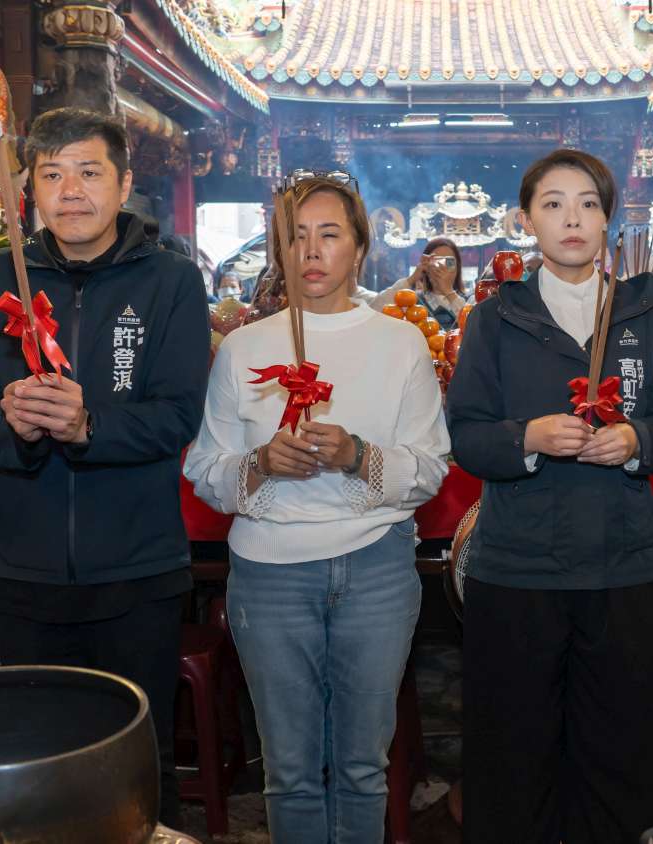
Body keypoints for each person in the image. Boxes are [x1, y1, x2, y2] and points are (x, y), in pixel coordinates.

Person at [0, 107, 210, 826]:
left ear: (123, 183)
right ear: (29, 189)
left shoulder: (171, 281)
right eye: (52, 175)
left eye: (89, 172)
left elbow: (179, 413)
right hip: (25, 567)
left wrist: (90, 425)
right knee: (42, 757)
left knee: (137, 754)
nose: (71, 191)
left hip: (137, 565)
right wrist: (17, 427)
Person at [185, 171, 449, 841]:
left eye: (329, 235)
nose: (311, 251)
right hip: (269, 574)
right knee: (289, 770)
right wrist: (260, 462)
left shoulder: (400, 344)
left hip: (377, 568)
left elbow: (430, 469)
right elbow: (206, 472)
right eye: (297, 236)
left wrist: (357, 454)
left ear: (359, 247)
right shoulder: (244, 348)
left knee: (363, 766)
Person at [448, 148, 653, 842]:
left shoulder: (644, 314)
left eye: (587, 204)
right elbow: (465, 435)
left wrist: (638, 440)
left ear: (608, 219)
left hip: (621, 567)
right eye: (552, 205)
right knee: (514, 756)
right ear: (527, 221)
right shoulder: (496, 319)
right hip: (517, 569)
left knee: (618, 753)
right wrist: (526, 437)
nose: (572, 219)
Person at [371, 236, 470, 331]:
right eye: (436, 261)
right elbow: (373, 312)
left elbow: (474, 327)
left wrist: (449, 292)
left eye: (449, 262)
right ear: (426, 265)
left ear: (458, 268)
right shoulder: (412, 301)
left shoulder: (469, 301)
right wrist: (412, 279)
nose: (442, 268)